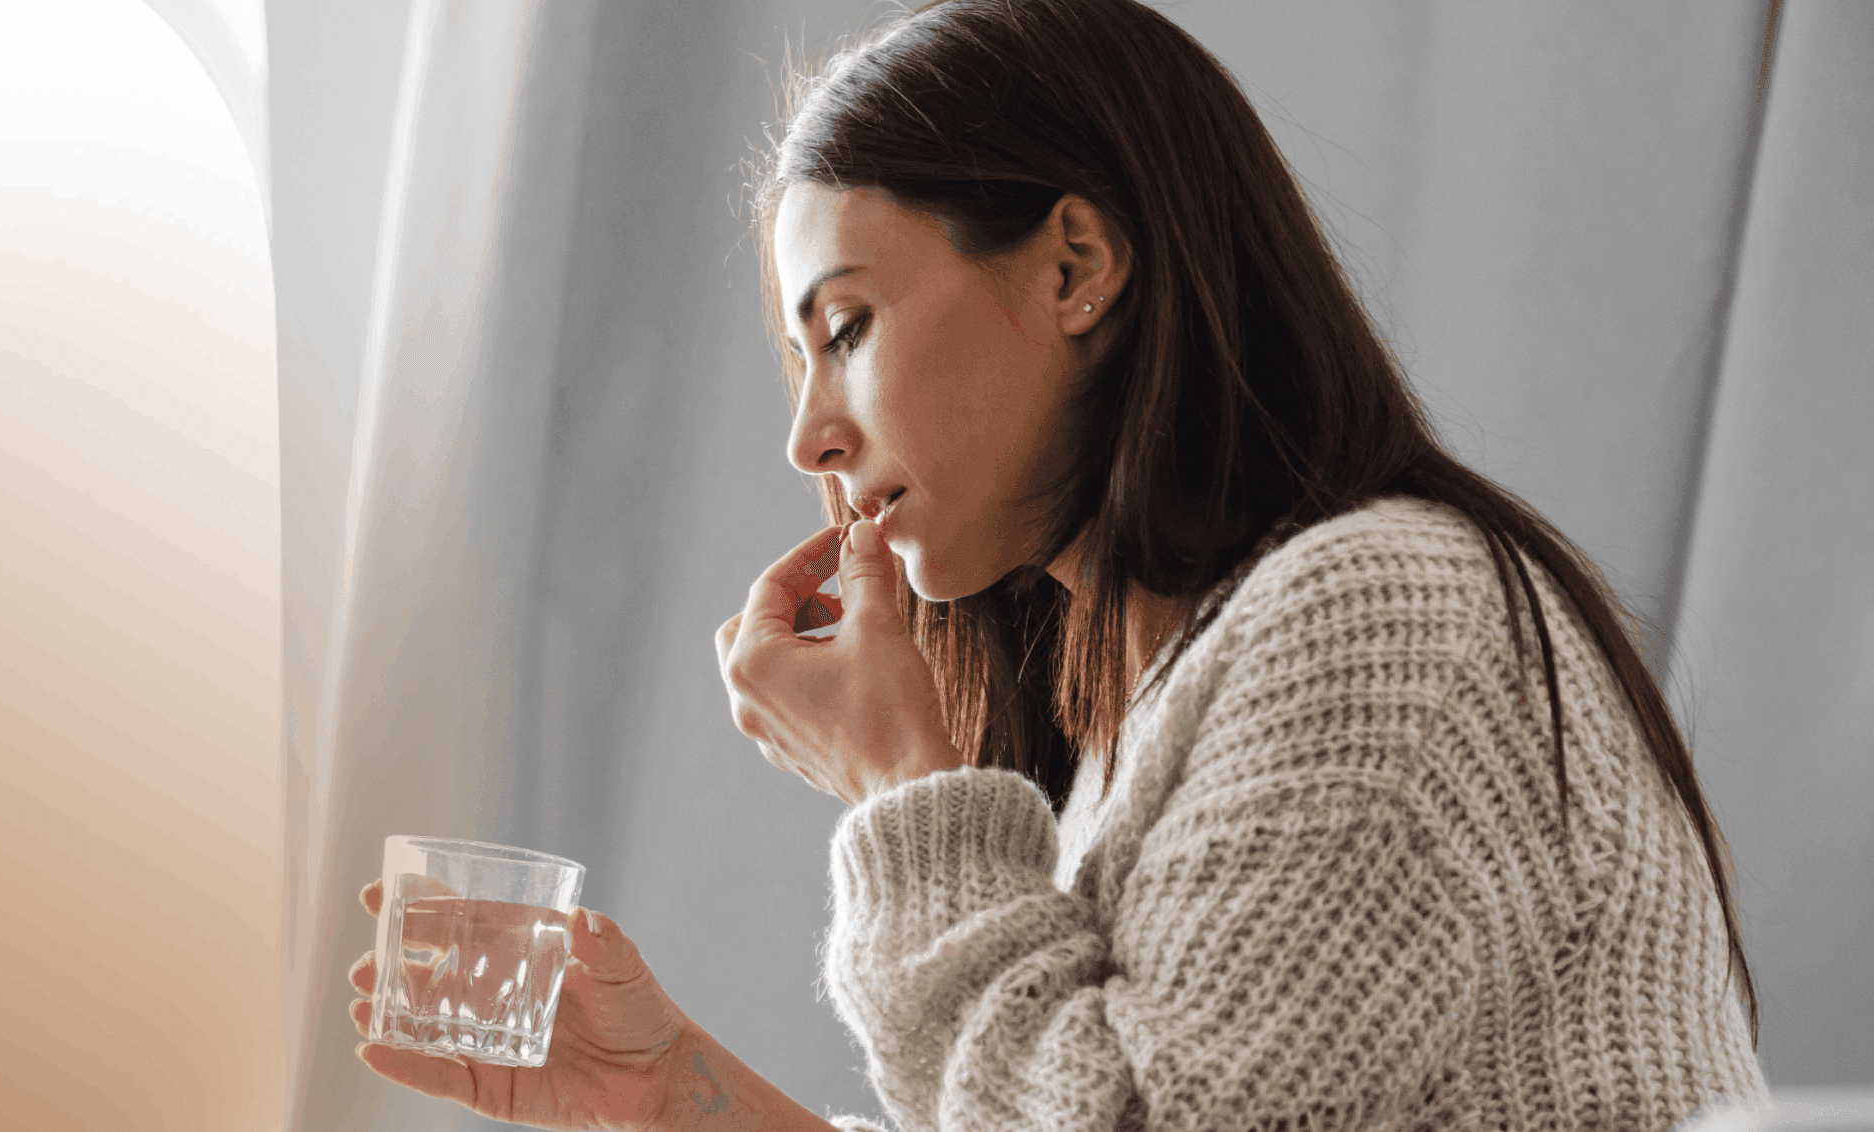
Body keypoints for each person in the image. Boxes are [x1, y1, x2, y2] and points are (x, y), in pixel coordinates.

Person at [346, 0, 1769, 1128]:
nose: (808, 434)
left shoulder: (1385, 614)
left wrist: (910, 796)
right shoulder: (1130, 721)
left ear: (1076, 263)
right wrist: (662, 1096)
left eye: (843, 330)